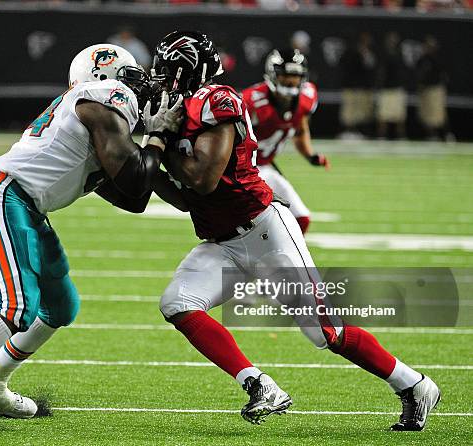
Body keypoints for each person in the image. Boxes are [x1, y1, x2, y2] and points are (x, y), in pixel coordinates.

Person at [150, 30, 440, 431]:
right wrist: (143, 161)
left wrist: (158, 141)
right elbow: (183, 197)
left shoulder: (220, 99)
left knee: (326, 333)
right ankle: (259, 385)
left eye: (168, 70)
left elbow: (203, 180)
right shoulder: (181, 107)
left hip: (265, 232)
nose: (161, 78)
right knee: (178, 302)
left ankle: (414, 385)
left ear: (189, 69)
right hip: (221, 243)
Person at [0, 43, 182, 432]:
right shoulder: (101, 98)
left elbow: (135, 197)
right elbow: (135, 177)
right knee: (16, 307)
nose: (139, 89)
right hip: (1, 193)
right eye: (129, 79)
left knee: (60, 307)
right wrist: (159, 138)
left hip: (27, 205)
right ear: (102, 80)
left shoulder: (88, 122)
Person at [241, 48, 329, 235]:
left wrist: (310, 156)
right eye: (285, 75)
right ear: (273, 75)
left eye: (295, 76)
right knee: (251, 225)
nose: (291, 81)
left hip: (265, 167)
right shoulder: (253, 102)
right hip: (245, 170)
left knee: (301, 219)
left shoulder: (306, 97)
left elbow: (300, 129)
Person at [338, 32, 376, 139]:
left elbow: (371, 68)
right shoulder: (351, 51)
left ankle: (358, 131)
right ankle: (348, 131)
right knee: (349, 111)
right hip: (350, 86)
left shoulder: (369, 53)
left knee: (361, 112)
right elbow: (345, 66)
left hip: (362, 87)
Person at [416, 35, 449, 140]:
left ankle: (447, 134)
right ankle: (431, 135)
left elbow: (443, 74)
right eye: (427, 45)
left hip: (436, 89)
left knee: (438, 113)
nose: (428, 47)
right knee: (426, 114)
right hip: (425, 89)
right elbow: (418, 73)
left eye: (430, 45)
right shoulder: (422, 59)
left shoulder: (438, 58)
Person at [376, 32, 408, 140]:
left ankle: (401, 136)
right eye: (390, 40)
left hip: (397, 89)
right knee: (383, 115)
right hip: (386, 90)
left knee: (399, 116)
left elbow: (403, 72)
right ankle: (381, 136)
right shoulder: (383, 54)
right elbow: (380, 72)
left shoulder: (400, 55)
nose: (392, 42)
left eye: (394, 40)